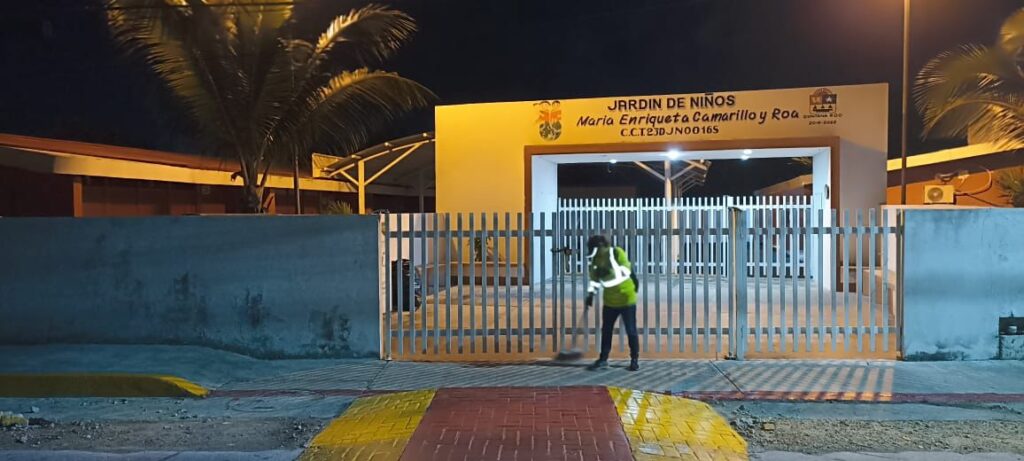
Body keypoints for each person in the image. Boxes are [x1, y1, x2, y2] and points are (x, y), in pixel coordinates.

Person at [584, 235, 640, 371]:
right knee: (606, 330)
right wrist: (591, 294)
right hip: (610, 301)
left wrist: (608, 272)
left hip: (626, 298)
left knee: (631, 330)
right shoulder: (595, 260)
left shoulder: (616, 252)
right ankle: (603, 358)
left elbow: (626, 270)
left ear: (601, 246)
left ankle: (634, 359)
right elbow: (594, 280)